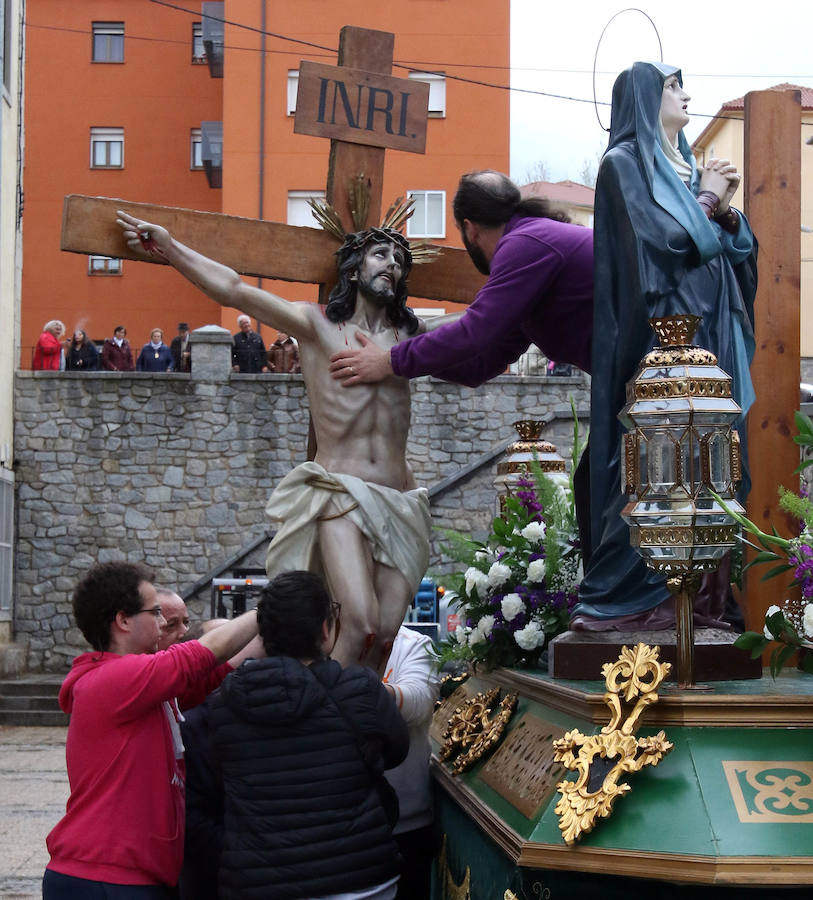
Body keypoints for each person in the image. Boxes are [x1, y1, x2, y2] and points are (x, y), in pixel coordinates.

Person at [116, 210, 446, 670]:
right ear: (353, 267)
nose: (392, 263)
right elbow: (233, 290)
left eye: (399, 258)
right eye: (380, 253)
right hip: (339, 493)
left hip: (400, 498)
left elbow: (479, 328)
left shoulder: (409, 335)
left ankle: (365, 732)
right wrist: (170, 248)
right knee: (360, 624)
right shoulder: (316, 325)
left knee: (387, 634)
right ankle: (335, 728)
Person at [572, 62, 758, 630]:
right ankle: (633, 599)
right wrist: (706, 201)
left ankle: (705, 601)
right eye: (674, 86)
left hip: (712, 337)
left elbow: (733, 254)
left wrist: (726, 214)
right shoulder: (622, 165)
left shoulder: (687, 170)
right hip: (659, 344)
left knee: (723, 465)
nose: (685, 94)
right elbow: (658, 247)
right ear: (646, 97)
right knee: (655, 462)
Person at [180, 571, 409, 900]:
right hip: (359, 877)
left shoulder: (224, 703)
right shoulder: (360, 689)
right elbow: (396, 751)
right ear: (325, 630)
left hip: (259, 883)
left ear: (264, 634)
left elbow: (212, 788)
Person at [43, 561, 261, 899]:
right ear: (123, 620)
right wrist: (266, 608)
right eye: (155, 613)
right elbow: (202, 654)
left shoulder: (143, 687)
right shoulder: (115, 678)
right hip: (107, 880)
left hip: (131, 877)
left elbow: (220, 668)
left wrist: (278, 623)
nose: (163, 624)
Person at [327, 170, 593, 389]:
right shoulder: (532, 253)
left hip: (633, 364)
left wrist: (388, 362)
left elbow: (474, 332)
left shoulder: (526, 244)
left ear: (469, 228)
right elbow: (480, 366)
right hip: (625, 370)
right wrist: (395, 346)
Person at [382, 626, 440, 900]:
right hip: (338, 828)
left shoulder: (413, 644)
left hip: (406, 827)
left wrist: (358, 688)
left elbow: (419, 703)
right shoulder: (319, 638)